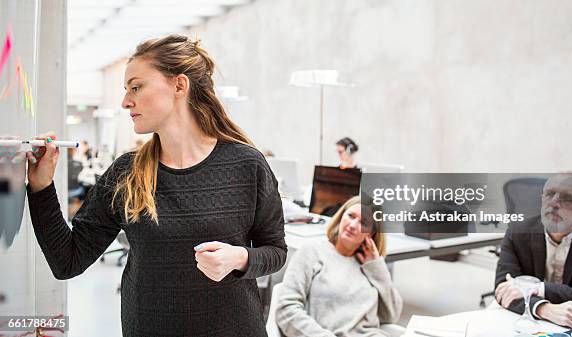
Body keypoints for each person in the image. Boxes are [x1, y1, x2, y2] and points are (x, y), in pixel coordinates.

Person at [25, 34, 287, 337]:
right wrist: (42, 186)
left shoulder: (246, 165)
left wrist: (240, 258)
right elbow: (67, 261)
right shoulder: (127, 173)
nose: (125, 101)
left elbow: (276, 251)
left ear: (179, 85)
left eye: (136, 87)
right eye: (126, 90)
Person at [495, 173, 572, 328]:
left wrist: (539, 289)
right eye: (549, 194)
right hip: (529, 321)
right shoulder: (518, 232)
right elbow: (504, 289)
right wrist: (544, 309)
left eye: (568, 198)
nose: (554, 203)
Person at [276, 196, 402, 336]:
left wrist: (377, 266)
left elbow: (391, 316)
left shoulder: (371, 266)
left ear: (371, 233)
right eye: (350, 216)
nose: (353, 225)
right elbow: (286, 310)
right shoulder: (312, 253)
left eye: (363, 223)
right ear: (341, 217)